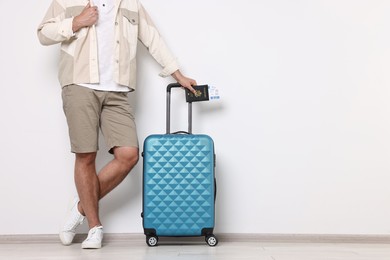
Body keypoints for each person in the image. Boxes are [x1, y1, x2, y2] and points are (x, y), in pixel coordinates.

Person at [37, 0, 197, 249]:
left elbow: (153, 39)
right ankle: (94, 227)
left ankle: (81, 207)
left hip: (117, 90)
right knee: (86, 154)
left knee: (129, 155)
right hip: (79, 85)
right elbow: (43, 33)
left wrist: (178, 74)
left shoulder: (131, 4)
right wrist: (76, 22)